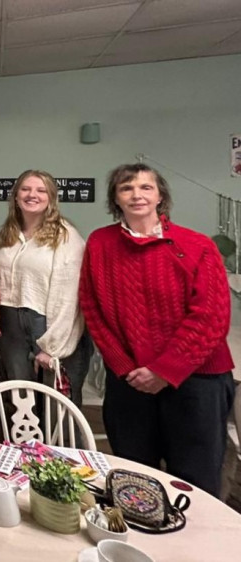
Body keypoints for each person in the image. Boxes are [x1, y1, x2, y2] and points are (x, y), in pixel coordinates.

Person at [79, 163, 235, 496]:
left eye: (145, 187)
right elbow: (93, 310)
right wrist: (123, 366)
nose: (136, 194)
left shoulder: (197, 246)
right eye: (126, 188)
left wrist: (165, 370)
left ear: (160, 195)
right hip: (130, 380)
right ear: (115, 199)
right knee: (134, 479)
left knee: (195, 482)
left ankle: (195, 548)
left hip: (196, 380)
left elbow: (211, 317)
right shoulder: (100, 244)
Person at [0, 170, 93, 406]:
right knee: (19, 400)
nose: (32, 195)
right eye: (25, 189)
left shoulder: (66, 236)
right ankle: (24, 444)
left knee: (56, 403)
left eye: (40, 190)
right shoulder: (6, 234)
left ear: (51, 198)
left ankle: (58, 445)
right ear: (15, 196)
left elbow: (70, 297)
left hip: (48, 323)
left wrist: (53, 346)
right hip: (10, 322)